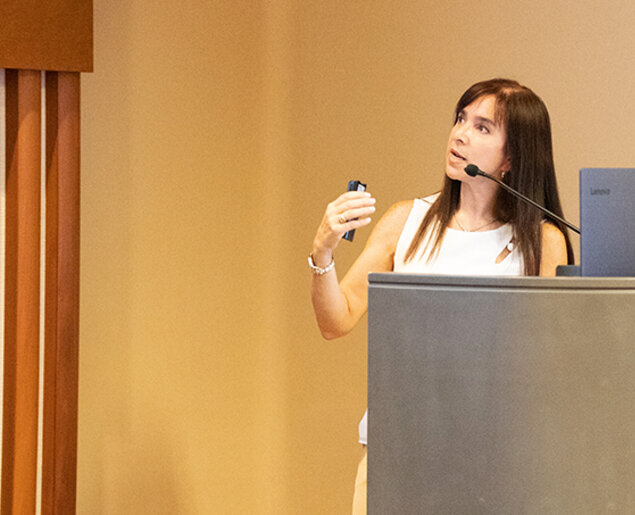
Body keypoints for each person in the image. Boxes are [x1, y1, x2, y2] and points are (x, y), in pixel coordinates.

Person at [308, 78, 574, 514]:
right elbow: (335, 322)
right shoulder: (405, 221)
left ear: (511, 157)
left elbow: (548, 362)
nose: (460, 134)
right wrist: (322, 252)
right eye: (460, 119)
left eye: (482, 127)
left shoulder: (542, 241)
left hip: (495, 456)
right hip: (398, 447)